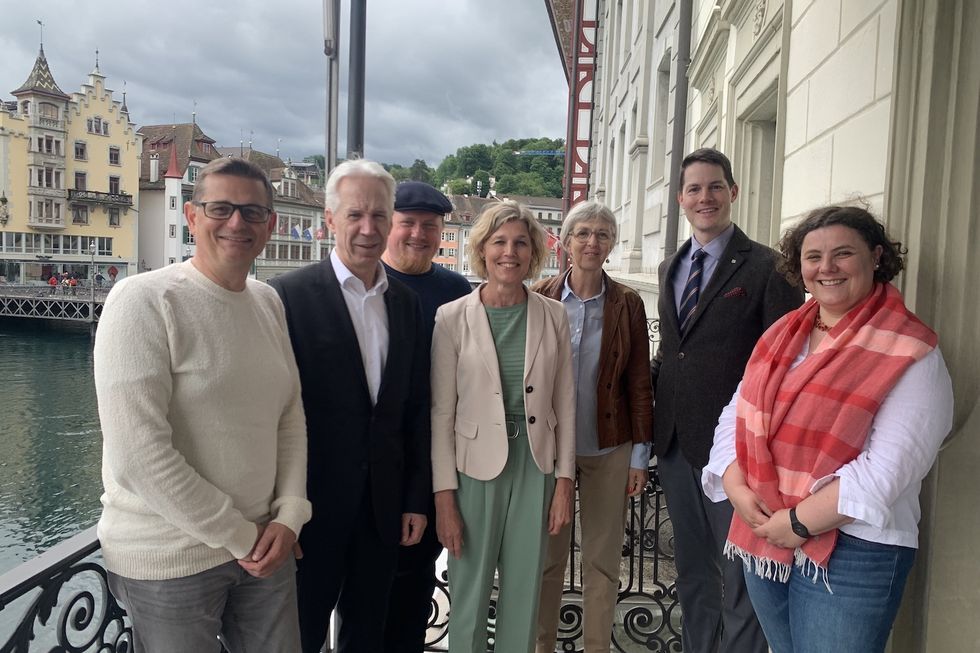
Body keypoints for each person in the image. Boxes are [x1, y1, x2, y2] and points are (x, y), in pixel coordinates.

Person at [702, 204, 954, 652]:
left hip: (855, 549)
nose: (827, 268)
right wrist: (737, 487)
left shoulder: (911, 350)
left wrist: (798, 522)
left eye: (843, 253)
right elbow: (736, 414)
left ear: (876, 256)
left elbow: (889, 469)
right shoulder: (783, 335)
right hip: (767, 533)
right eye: (813, 256)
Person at [94, 157, 311, 653]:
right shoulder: (142, 300)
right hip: (170, 557)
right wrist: (239, 535)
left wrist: (291, 513)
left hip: (265, 543)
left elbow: (289, 417)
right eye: (221, 208)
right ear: (192, 217)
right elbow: (137, 455)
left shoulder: (267, 301)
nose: (237, 222)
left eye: (252, 212)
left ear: (270, 224)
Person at [269, 160, 431, 653]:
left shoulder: (405, 302)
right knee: (299, 635)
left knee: (367, 635)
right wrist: (279, 510)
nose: (368, 228)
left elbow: (415, 408)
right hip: (310, 510)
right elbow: (272, 415)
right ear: (330, 220)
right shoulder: (287, 297)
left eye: (379, 215)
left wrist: (415, 499)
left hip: (383, 511)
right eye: (355, 215)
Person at [651, 148, 803, 653]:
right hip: (676, 445)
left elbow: (784, 365)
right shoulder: (669, 267)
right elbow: (673, 352)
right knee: (693, 572)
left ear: (733, 191)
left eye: (715, 186)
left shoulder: (770, 268)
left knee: (742, 576)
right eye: (694, 189)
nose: (705, 197)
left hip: (739, 453)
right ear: (680, 198)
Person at [431, 200, 576, 653]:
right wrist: (444, 498)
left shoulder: (554, 314)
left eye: (520, 243)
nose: (509, 252)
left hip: (535, 466)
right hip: (473, 471)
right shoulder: (452, 317)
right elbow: (441, 414)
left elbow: (565, 404)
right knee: (469, 593)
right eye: (499, 242)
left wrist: (565, 483)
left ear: (534, 252)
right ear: (482, 250)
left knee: (524, 592)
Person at [532, 200, 653, 653]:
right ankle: (542, 646)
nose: (592, 242)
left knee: (602, 561)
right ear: (565, 242)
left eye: (602, 234)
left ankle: (597, 646)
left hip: (609, 447)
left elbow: (639, 381)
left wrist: (639, 455)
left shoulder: (627, 303)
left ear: (612, 244)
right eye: (582, 233)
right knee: (547, 560)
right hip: (549, 450)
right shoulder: (540, 296)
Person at [380, 181, 472, 653]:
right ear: (388, 225)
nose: (418, 234)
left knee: (414, 590)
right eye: (408, 223)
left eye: (430, 226)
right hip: (373, 460)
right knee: (363, 596)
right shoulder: (365, 282)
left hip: (434, 459)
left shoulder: (455, 290)